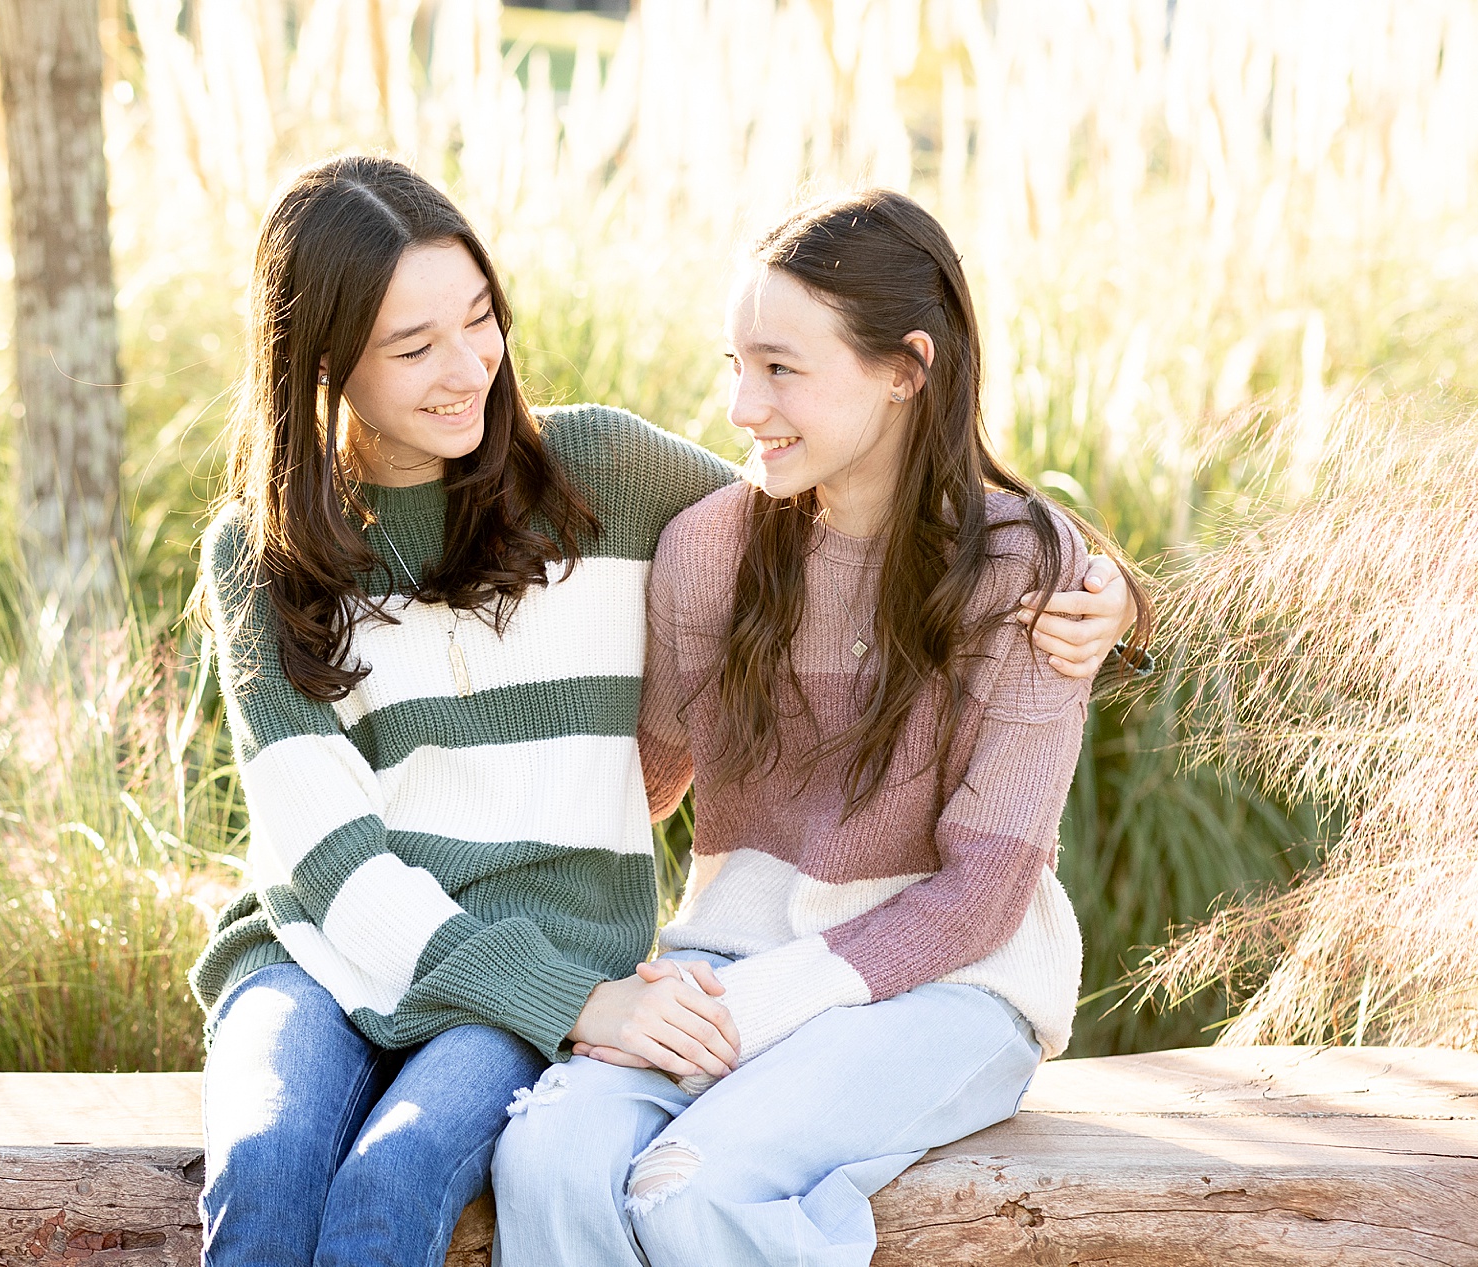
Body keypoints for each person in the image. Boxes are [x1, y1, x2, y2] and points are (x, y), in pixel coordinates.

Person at [187, 156, 1138, 1267]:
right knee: (381, 1163)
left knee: (515, 1186)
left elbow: (855, 508)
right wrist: (585, 986)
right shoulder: (269, 557)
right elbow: (368, 855)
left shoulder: (603, 475)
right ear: (322, 362)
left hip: (729, 963)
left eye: (481, 320)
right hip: (423, 945)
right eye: (413, 347)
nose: (468, 369)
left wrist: (1106, 587)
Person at [490, 188, 1152, 1267]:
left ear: (906, 369)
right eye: (733, 364)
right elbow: (642, 790)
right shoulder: (710, 547)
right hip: (725, 961)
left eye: (781, 367)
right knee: (546, 1161)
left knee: (693, 1189)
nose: (743, 406)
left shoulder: (1026, 571)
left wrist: (762, 1002)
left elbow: (980, 895)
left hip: (952, 987)